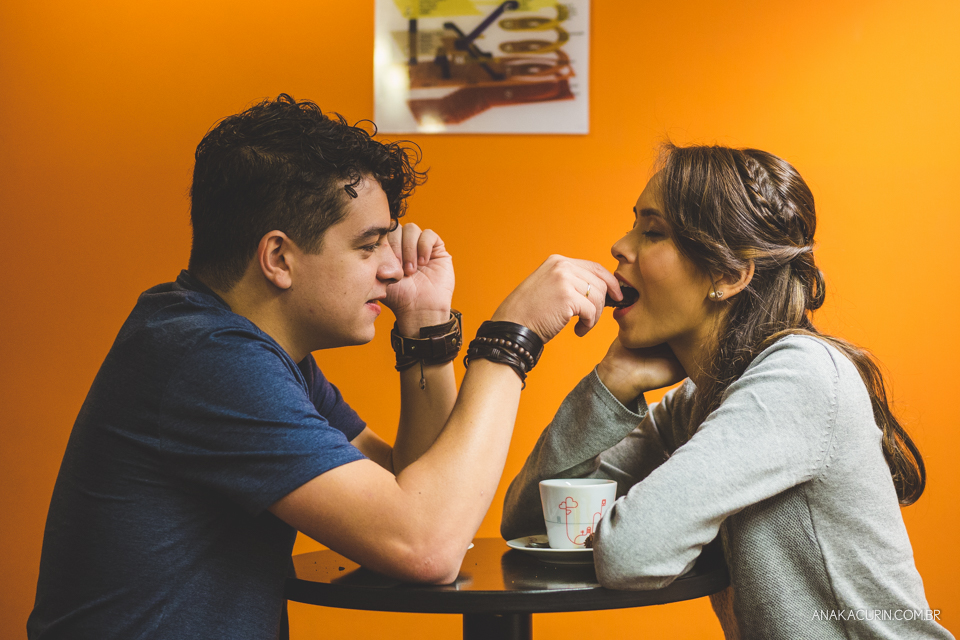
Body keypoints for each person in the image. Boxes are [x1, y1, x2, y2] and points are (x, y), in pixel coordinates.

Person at [27, 94, 621, 639]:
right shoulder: (208, 359)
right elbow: (425, 544)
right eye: (369, 246)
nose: (392, 268)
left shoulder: (249, 349)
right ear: (279, 257)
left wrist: (427, 329)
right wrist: (511, 340)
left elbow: (420, 495)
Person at [501, 143, 953, 639]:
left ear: (730, 274)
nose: (619, 246)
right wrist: (609, 383)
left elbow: (631, 553)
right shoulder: (696, 406)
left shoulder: (800, 376)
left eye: (652, 232)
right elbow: (532, 521)